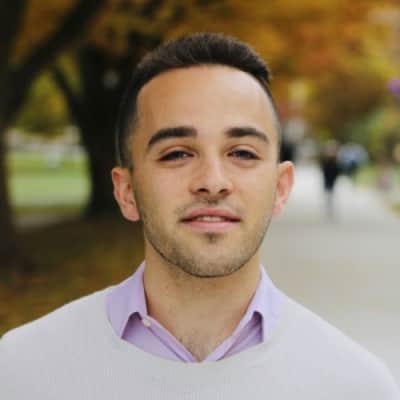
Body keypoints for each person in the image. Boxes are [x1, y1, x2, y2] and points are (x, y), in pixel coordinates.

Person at [1, 33, 399, 399]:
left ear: (281, 188)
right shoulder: (19, 372)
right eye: (176, 153)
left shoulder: (358, 387)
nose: (212, 182)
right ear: (126, 192)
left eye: (242, 153)